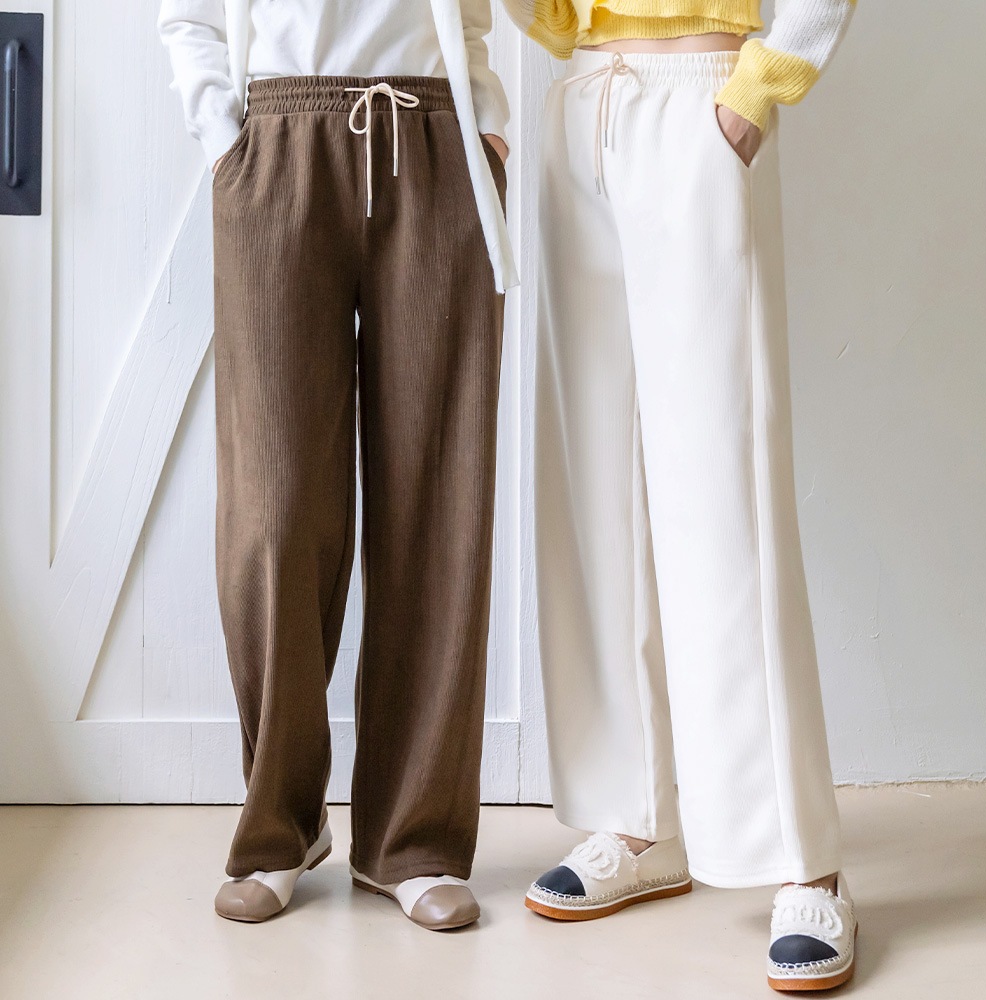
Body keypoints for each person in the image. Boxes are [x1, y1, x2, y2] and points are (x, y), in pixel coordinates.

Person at [501, 0, 858, 991]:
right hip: (583, 101)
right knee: (596, 484)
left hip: (701, 98)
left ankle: (805, 859)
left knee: (725, 488)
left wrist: (758, 89)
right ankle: (639, 818)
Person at [157, 0, 516, 928]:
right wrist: (224, 138)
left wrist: (483, 128)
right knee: (274, 509)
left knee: (438, 499)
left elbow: (475, 17)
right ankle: (281, 826)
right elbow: (187, 14)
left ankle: (415, 840)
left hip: (435, 138)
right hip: (277, 142)